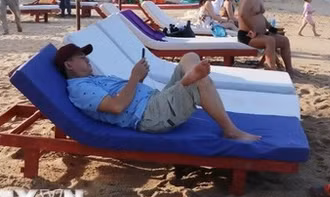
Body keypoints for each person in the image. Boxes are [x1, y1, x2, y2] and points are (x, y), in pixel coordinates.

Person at [56, 43, 259, 139]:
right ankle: (229, 129)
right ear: (69, 65)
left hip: (155, 100)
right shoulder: (79, 89)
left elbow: (126, 95)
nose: (87, 59)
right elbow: (117, 107)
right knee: (201, 82)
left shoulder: (91, 79)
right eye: (81, 57)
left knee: (189, 55)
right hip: (151, 116)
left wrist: (139, 77)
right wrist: (134, 77)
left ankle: (189, 77)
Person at [238, 0, 294, 73]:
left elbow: (259, 15)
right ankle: (271, 69)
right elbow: (242, 14)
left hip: (261, 34)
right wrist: (253, 29)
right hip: (248, 35)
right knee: (270, 41)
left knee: (284, 41)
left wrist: (270, 27)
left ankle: (289, 69)